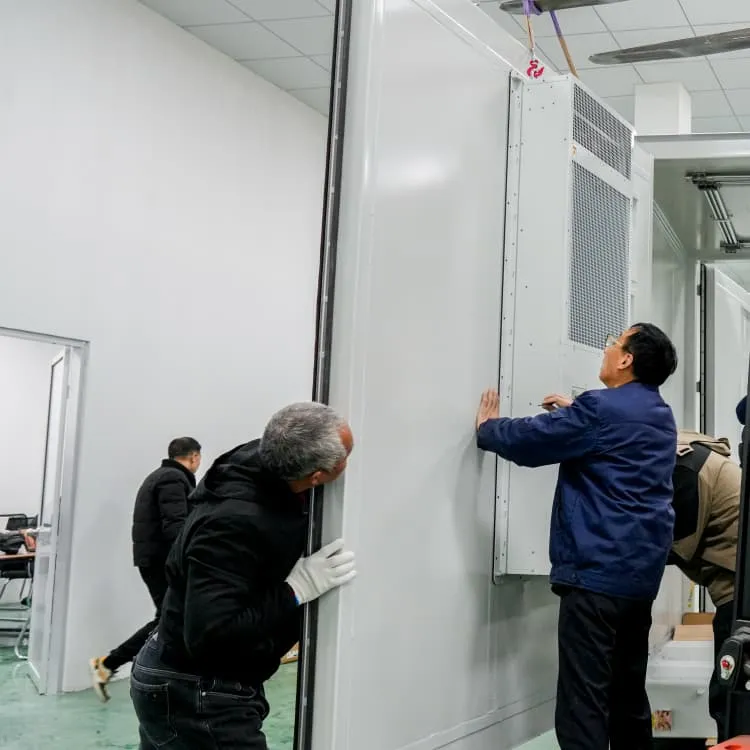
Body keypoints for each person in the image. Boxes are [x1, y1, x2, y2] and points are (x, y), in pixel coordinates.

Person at [475, 323, 678, 750]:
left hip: (595, 576)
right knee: (626, 697)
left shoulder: (601, 409)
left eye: (613, 343)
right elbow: (614, 439)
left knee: (583, 703)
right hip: (638, 579)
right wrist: (576, 415)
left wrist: (489, 429)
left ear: (626, 360)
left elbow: (534, 442)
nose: (607, 350)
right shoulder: (660, 414)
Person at [130, 402, 356, 750]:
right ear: (316, 476)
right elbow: (210, 634)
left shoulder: (263, 462)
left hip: (192, 679)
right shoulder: (232, 523)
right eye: (346, 458)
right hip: (194, 690)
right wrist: (296, 589)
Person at [90, 436, 202, 701]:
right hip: (163, 562)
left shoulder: (160, 476)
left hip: (153, 559)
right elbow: (176, 526)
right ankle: (109, 664)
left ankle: (115, 665)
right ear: (194, 457)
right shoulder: (173, 479)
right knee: (169, 619)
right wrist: (187, 561)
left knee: (172, 618)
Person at [670, 429, 739, 743]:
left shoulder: (685, 469)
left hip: (736, 597)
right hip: (738, 590)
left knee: (729, 697)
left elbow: (677, 545)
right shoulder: (696, 454)